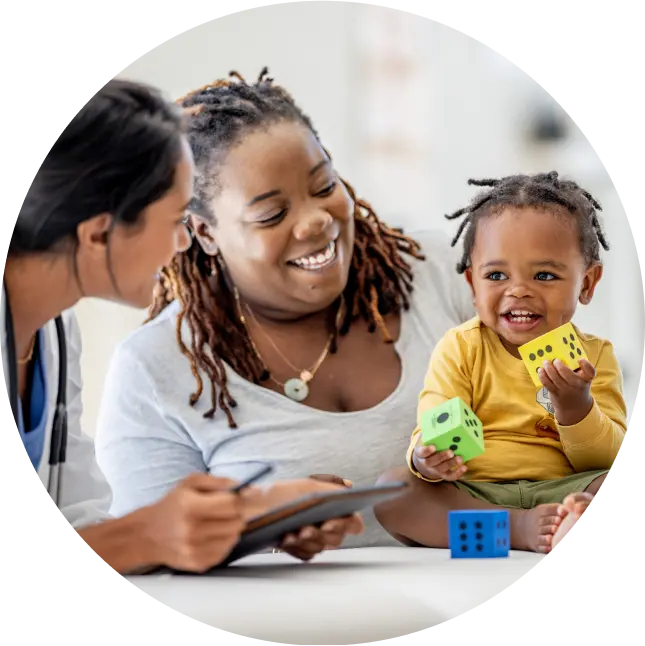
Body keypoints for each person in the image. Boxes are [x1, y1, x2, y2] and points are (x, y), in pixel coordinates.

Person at [93, 69, 476, 549]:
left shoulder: (441, 271)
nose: (316, 220)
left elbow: (557, 422)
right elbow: (148, 560)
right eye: (272, 215)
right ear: (206, 233)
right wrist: (261, 528)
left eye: (323, 186)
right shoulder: (153, 369)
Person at [0, 78, 364, 576]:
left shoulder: (53, 334)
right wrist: (150, 533)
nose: (181, 245)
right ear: (99, 233)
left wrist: (251, 518)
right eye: (176, 220)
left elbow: (79, 523)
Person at [373, 171, 628, 554]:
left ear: (587, 283)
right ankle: (518, 530)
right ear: (473, 286)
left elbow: (603, 457)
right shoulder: (460, 347)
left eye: (544, 275)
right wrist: (428, 459)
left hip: (564, 486)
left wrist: (576, 407)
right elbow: (433, 424)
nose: (519, 290)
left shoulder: (595, 356)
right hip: (475, 495)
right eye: (496, 275)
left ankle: (568, 515)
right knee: (392, 492)